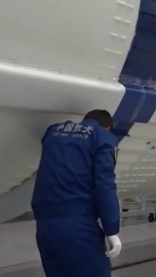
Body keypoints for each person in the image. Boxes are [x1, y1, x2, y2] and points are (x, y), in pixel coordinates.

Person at [31, 110, 123, 277]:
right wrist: (111, 229)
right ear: (107, 127)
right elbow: (105, 185)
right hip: (78, 224)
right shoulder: (103, 138)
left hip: (44, 226)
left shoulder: (53, 132)